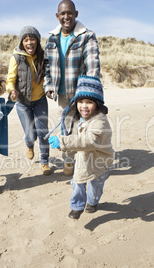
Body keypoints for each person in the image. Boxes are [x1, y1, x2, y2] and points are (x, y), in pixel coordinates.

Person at [44, 0, 101, 176]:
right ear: (57, 16)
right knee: (66, 126)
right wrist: (48, 85)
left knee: (85, 126)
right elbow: (46, 66)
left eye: (70, 13)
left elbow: (93, 63)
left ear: (76, 14)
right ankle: (68, 159)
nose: (66, 17)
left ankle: (85, 160)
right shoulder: (52, 38)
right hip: (61, 94)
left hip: (81, 93)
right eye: (62, 13)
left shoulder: (87, 36)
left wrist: (88, 92)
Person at [48, 75, 114, 219]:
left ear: (97, 104)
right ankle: (77, 206)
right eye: (80, 101)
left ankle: (92, 202)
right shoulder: (80, 119)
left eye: (89, 102)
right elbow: (76, 138)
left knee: (95, 187)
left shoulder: (100, 122)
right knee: (77, 181)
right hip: (84, 159)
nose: (84, 106)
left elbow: (88, 141)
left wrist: (63, 141)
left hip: (100, 162)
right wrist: (65, 149)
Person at [6, 26, 52, 176]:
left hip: (40, 100)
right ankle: (29, 144)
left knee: (43, 132)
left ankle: (45, 162)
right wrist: (11, 90)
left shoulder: (43, 57)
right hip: (22, 102)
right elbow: (10, 79)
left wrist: (50, 88)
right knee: (31, 135)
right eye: (26, 39)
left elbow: (50, 75)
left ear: (37, 42)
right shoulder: (16, 58)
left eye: (32, 39)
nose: (29, 42)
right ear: (22, 42)